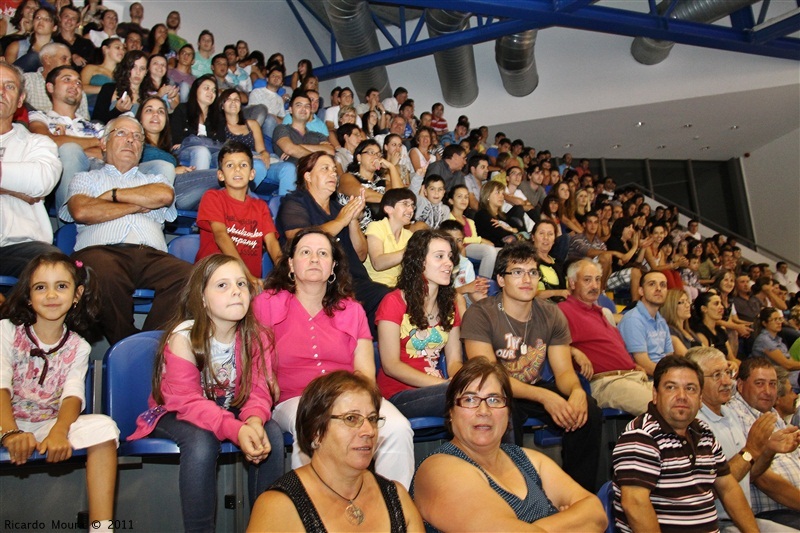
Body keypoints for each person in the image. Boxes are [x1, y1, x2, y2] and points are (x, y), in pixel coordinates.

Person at [129, 255, 283, 532]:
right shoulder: (183, 338)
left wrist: (254, 421)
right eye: (222, 285)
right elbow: (186, 401)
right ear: (201, 298)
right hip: (176, 412)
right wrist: (234, 428)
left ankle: (266, 525)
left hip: (226, 409)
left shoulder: (258, 337)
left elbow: (259, 391)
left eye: (241, 284)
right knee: (202, 441)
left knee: (269, 432)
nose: (236, 290)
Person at [253, 229, 414, 487]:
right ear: (291, 265)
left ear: (333, 268)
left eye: (323, 253)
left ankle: (391, 511)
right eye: (305, 252)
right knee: (315, 429)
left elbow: (364, 374)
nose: (315, 258)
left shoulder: (352, 309)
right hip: (294, 398)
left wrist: (353, 404)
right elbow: (259, 365)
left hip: (350, 396)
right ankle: (313, 516)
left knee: (396, 427)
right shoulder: (267, 303)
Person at [461, 241, 603, 491]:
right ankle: (511, 494)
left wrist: (578, 392)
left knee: (588, 411)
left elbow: (564, 372)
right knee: (503, 410)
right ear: (501, 280)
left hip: (533, 387)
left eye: (532, 272)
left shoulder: (551, 313)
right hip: (495, 392)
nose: (527, 279)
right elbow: (490, 377)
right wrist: (545, 397)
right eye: (517, 272)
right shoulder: (480, 314)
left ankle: (578, 493)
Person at [412, 357, 607, 532]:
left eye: (494, 399)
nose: (484, 410)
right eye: (470, 399)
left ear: (508, 412)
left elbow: (596, 514)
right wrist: (566, 521)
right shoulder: (439, 469)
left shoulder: (528, 459)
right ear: (451, 412)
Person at [0, 253, 119, 533]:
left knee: (104, 427)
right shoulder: (6, 331)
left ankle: (102, 528)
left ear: (77, 294)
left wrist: (59, 432)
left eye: (61, 286)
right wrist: (10, 432)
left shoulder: (79, 346)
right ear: (28, 295)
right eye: (41, 287)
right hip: (4, 420)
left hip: (46, 424)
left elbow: (73, 396)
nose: (51, 295)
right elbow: (1, 385)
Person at [59, 115, 192, 344]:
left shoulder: (156, 179)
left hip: (151, 255)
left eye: (137, 137)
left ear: (142, 149)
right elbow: (81, 211)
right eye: (121, 133)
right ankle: (127, 345)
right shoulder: (86, 179)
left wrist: (113, 196)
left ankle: (148, 345)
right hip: (101, 252)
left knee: (192, 277)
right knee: (102, 273)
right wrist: (138, 204)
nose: (130, 140)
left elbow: (164, 195)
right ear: (103, 143)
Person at [248, 371, 423, 532]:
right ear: (316, 432)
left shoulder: (396, 497)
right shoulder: (279, 507)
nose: (369, 431)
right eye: (351, 419)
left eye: (372, 419)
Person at [612, 355, 759, 532]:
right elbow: (634, 503)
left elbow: (729, 489)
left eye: (690, 389)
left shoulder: (703, 432)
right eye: (671, 387)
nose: (681, 396)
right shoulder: (641, 436)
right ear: (655, 395)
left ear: (700, 398)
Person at [687, 347, 800, 532]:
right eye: (716, 375)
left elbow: (750, 473)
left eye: (727, 372)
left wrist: (768, 450)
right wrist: (751, 451)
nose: (726, 381)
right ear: (696, 381)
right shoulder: (696, 424)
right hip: (717, 522)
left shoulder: (729, 414)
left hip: (743, 517)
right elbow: (715, 487)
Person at [376, 230, 464, 419]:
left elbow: (455, 360)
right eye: (439, 256)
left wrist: (460, 381)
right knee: (466, 398)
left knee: (486, 393)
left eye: (449, 257)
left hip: (441, 390)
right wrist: (444, 385)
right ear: (419, 261)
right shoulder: (393, 302)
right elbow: (391, 365)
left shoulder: (450, 306)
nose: (449, 263)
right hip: (399, 395)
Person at [559, 260, 653, 415]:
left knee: (689, 401)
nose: (595, 286)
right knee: (666, 409)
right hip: (606, 383)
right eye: (587, 280)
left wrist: (632, 364)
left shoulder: (601, 312)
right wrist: (573, 351)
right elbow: (546, 343)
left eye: (597, 280)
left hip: (634, 378)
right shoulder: (562, 311)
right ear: (572, 283)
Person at [0, 62, 62, 279]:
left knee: (55, 269)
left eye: (9, 86)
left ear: (20, 100)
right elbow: (28, 186)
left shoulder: (38, 144)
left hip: (21, 246)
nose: (1, 92)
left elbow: (40, 182)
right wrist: (14, 190)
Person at [725, 357, 800, 528]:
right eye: (759, 383)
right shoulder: (734, 415)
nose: (768, 391)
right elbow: (762, 479)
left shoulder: (771, 414)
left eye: (772, 384)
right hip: (773, 512)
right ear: (741, 386)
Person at [196, 141, 281, 282]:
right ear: (221, 175)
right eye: (230, 165)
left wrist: (287, 272)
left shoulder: (260, 207)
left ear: (252, 174)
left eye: (243, 165)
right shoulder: (212, 197)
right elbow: (220, 235)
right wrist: (245, 276)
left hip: (250, 283)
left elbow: (272, 243)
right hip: (213, 277)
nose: (237, 169)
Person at [618, 271, 675, 376]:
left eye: (663, 285)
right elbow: (644, 363)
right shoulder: (633, 319)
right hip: (645, 378)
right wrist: (671, 377)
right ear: (641, 291)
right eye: (652, 284)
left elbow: (669, 357)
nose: (658, 288)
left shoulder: (661, 321)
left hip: (662, 375)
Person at [340, 138, 403, 232]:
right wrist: (393, 201)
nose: (375, 157)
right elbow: (364, 194)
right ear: (359, 157)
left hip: (382, 232)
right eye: (371, 152)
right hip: (355, 232)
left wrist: (391, 167)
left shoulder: (383, 182)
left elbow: (402, 197)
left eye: (378, 154)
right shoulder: (347, 177)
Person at [364, 189, 415, 288]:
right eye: (405, 204)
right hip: (375, 285)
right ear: (388, 209)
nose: (411, 210)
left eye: (412, 205)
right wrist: (410, 251)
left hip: (398, 288)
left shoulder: (409, 235)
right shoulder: (376, 226)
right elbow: (377, 263)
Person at [446, 184, 497, 278]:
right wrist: (480, 240)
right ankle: (483, 282)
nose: (464, 200)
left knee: (501, 251)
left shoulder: (470, 221)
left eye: (466, 197)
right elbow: (456, 239)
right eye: (459, 197)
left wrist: (479, 241)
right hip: (459, 248)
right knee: (489, 251)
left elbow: (473, 239)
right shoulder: (448, 218)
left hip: (472, 248)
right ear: (451, 201)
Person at [171, 74, 220, 171]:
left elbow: (220, 142)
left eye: (214, 91)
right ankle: (199, 185)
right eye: (207, 88)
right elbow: (176, 138)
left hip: (212, 151)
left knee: (226, 157)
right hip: (184, 150)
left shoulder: (217, 116)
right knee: (202, 151)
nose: (211, 92)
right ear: (195, 90)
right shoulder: (182, 109)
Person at [91, 49, 147, 123]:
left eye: (142, 68)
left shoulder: (146, 98)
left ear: (146, 72)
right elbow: (96, 121)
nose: (138, 72)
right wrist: (117, 110)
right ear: (126, 68)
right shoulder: (109, 88)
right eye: (133, 67)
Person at [751, 307, 800, 390]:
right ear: (765, 323)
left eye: (780, 319)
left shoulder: (778, 339)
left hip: (787, 374)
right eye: (775, 319)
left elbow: (791, 362)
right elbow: (787, 365)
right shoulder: (764, 340)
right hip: (777, 377)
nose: (779, 322)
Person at [691, 291, 740, 366]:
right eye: (716, 304)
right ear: (704, 309)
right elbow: (706, 363)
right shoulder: (700, 333)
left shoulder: (721, 330)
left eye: (721, 303)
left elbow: (731, 358)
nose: (721, 307)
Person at [80, 36, 123, 112]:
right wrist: (107, 90)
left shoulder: (122, 74)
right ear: (105, 49)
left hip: (110, 111)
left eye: (123, 49)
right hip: (90, 108)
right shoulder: (91, 68)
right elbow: (81, 87)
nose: (122, 51)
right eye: (117, 48)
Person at [474, 180, 523, 245]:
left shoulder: (503, 216)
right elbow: (502, 236)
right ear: (487, 195)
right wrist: (514, 232)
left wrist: (509, 228)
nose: (501, 196)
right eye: (497, 192)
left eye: (502, 193)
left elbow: (522, 231)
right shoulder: (482, 215)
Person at [532, 220, 569, 302]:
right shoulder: (528, 262)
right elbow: (528, 294)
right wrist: (558, 292)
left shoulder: (558, 262)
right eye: (541, 233)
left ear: (554, 240)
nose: (546, 238)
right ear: (533, 237)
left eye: (550, 234)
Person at [661, 288, 700, 356]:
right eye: (681, 302)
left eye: (688, 301)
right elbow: (686, 358)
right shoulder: (670, 331)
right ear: (670, 306)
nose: (688, 305)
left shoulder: (688, 331)